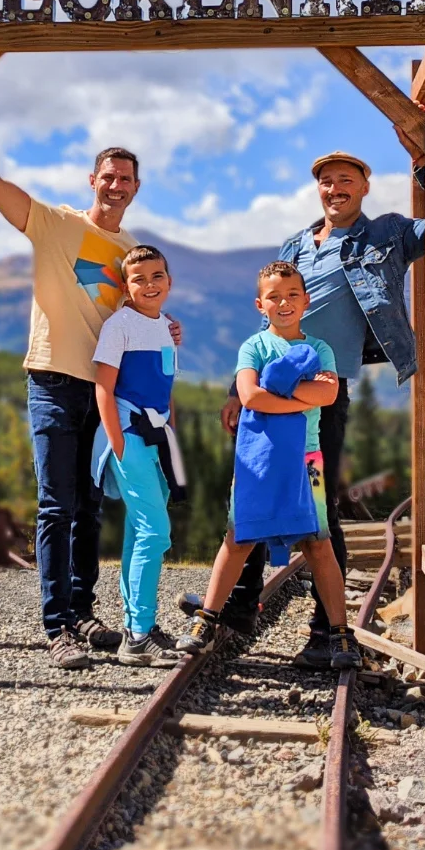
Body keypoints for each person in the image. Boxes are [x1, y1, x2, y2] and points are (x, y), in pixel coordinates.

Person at [180, 150, 425, 667]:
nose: (334, 188)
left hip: (324, 397)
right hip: (268, 398)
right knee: (253, 503)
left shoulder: (387, 234)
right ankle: (238, 611)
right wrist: (237, 390)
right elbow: (267, 325)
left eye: (345, 180)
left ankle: (326, 632)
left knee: (321, 514)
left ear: (364, 186)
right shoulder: (296, 245)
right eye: (326, 181)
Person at [0, 126, 179, 670]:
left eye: (125, 179)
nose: (115, 186)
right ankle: (58, 627)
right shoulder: (54, 223)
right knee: (57, 504)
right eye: (107, 177)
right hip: (52, 379)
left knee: (91, 506)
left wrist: (166, 329)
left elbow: (139, 313)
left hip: (107, 391)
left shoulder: (130, 254)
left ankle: (83, 610)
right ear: (91, 180)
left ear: (136, 187)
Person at [174, 262, 362, 670]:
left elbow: (328, 396)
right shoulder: (253, 347)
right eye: (274, 296)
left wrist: (277, 391)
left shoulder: (321, 348)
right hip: (255, 459)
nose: (284, 303)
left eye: (293, 295)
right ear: (260, 304)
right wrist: (301, 398)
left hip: (306, 458)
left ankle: (341, 634)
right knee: (239, 537)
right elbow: (250, 396)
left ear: (306, 300)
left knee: (318, 541)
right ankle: (207, 619)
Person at [90, 245, 184, 667]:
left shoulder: (167, 326)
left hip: (157, 440)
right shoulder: (118, 326)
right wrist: (120, 442)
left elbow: (165, 387)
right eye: (139, 278)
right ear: (126, 287)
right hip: (127, 437)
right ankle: (139, 636)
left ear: (169, 280)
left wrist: (171, 438)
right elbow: (103, 388)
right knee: (155, 530)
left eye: (157, 276)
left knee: (139, 529)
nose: (149, 284)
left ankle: (136, 624)